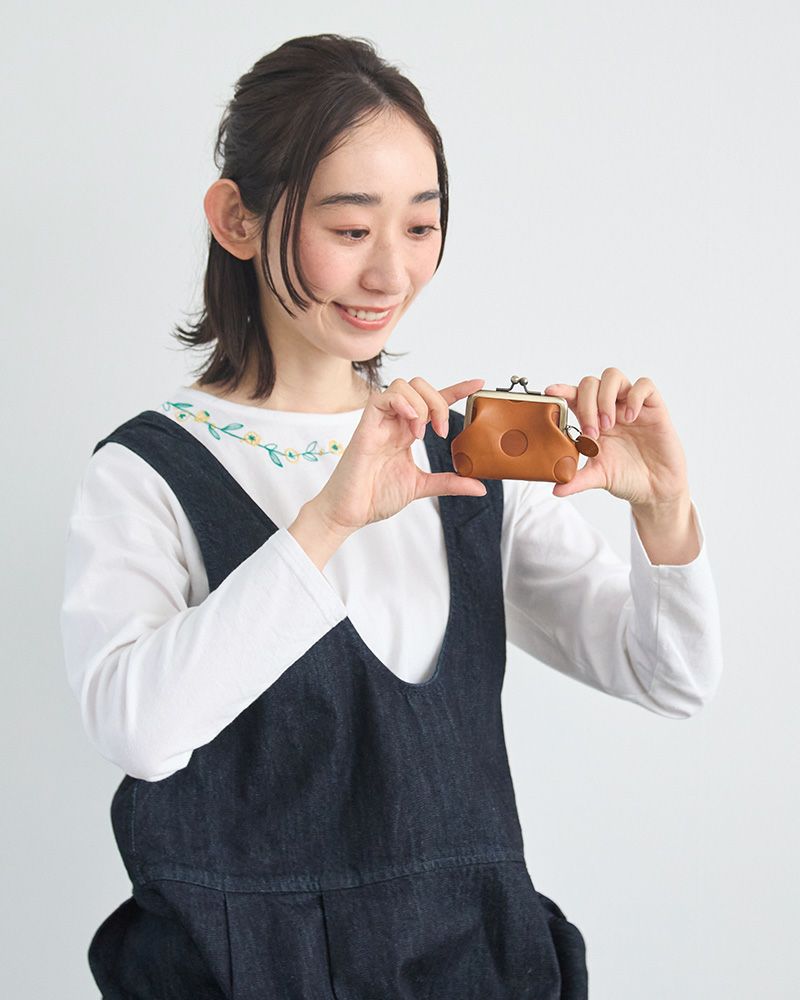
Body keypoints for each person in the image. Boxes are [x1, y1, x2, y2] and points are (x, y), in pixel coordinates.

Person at [60, 33, 723, 1000]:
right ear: (237, 219)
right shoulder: (149, 468)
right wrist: (326, 522)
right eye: (349, 227)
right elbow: (138, 730)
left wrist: (663, 511)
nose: (390, 275)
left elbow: (670, 678)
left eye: (420, 226)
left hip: (477, 964)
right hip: (245, 974)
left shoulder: (464, 450)